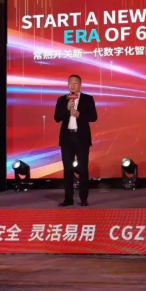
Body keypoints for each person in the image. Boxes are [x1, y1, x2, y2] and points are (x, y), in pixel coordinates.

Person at [54, 74, 98, 207]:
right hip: (67, 139)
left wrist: (80, 115)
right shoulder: (62, 100)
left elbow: (93, 117)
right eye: (70, 83)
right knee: (67, 169)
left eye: (75, 83)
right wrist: (67, 109)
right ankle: (68, 199)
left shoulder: (88, 99)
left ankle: (84, 198)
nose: (72, 85)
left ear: (80, 85)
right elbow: (57, 117)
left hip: (82, 138)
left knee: (83, 169)